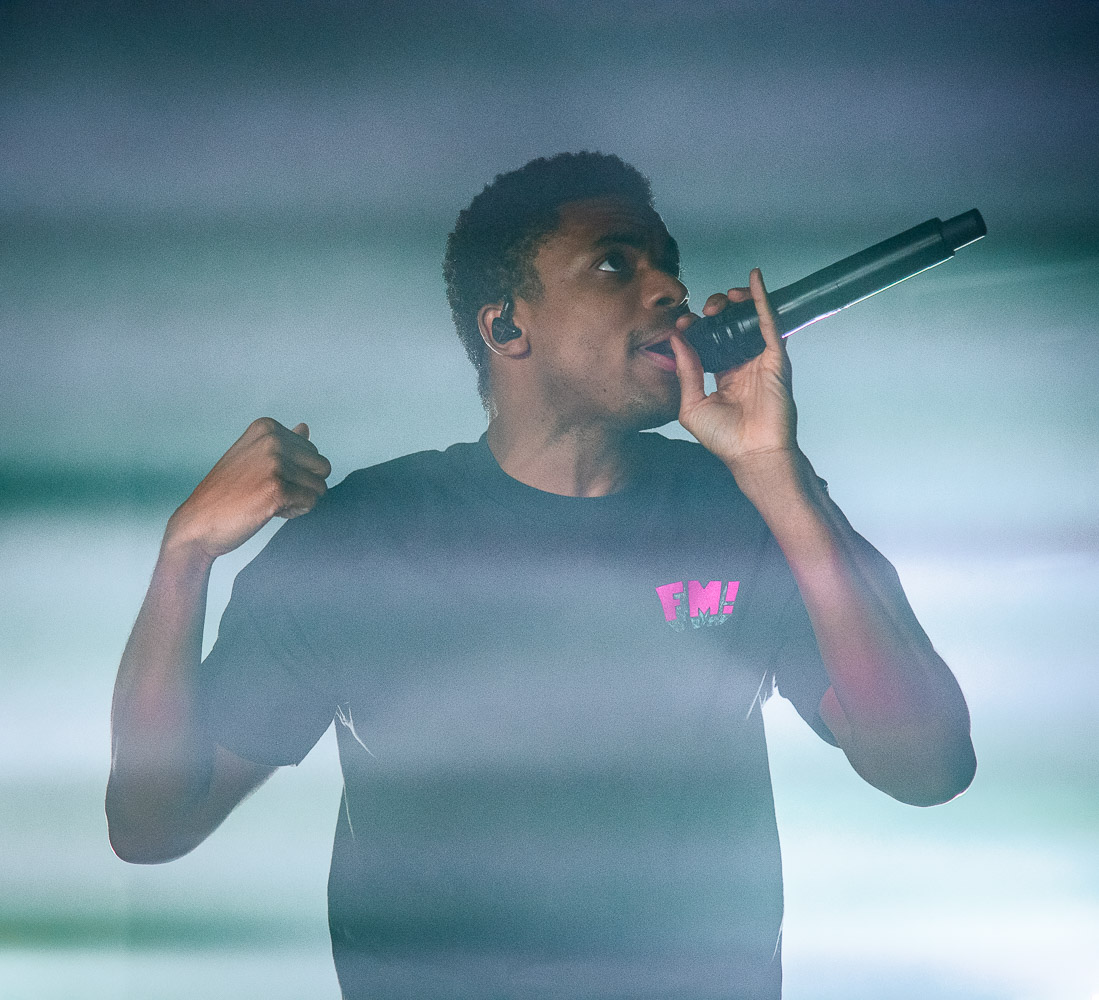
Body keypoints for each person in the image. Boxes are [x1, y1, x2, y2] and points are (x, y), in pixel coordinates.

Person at [106, 152, 976, 998]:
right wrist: (184, 554)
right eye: (613, 263)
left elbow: (924, 766)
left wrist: (781, 479)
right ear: (506, 326)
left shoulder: (742, 512)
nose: (669, 290)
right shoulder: (365, 538)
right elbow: (152, 825)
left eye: (667, 266)